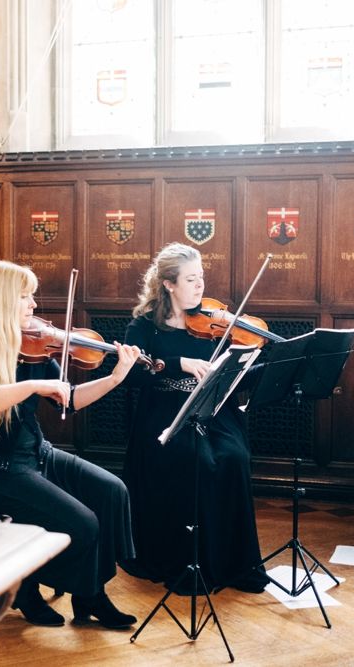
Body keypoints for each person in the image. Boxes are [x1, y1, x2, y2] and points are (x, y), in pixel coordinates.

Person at [0, 259, 141, 629]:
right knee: (83, 525)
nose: (34, 306)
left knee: (112, 491)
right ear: (2, 302)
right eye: (25, 297)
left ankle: (88, 597)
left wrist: (115, 378)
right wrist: (32, 386)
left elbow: (71, 398)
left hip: (35, 453)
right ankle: (28, 585)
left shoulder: (33, 346)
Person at [121, 242, 268, 594]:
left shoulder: (215, 322)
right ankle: (187, 562)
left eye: (201, 277)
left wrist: (241, 366)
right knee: (192, 458)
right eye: (191, 279)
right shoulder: (144, 327)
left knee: (233, 456)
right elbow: (132, 375)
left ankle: (232, 563)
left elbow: (241, 372)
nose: (200, 286)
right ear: (169, 284)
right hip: (163, 413)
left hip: (213, 410)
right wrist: (179, 364)